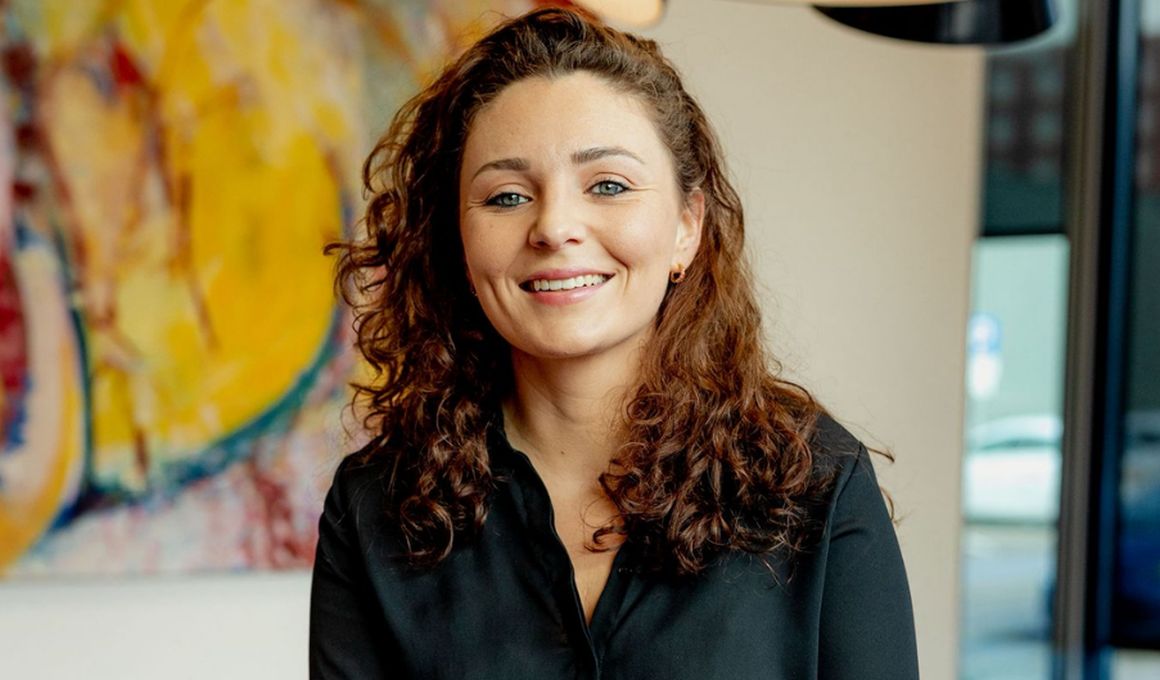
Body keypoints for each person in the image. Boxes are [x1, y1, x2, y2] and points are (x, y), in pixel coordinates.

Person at [310, 7, 919, 679]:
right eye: (506, 196)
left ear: (687, 226)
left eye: (608, 185)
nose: (554, 227)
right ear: (458, 239)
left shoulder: (818, 482)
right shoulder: (373, 506)